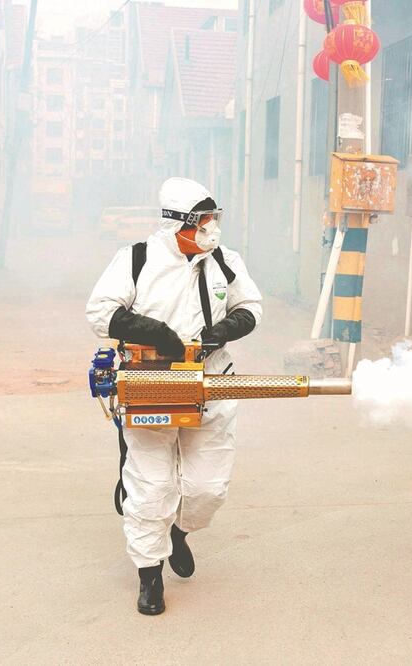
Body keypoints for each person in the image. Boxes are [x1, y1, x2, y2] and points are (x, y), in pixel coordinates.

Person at [86, 177, 263, 615]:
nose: (211, 229)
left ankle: (180, 530)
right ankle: (150, 576)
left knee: (208, 487)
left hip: (213, 382)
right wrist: (155, 332)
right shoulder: (137, 260)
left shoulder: (224, 260)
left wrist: (223, 329)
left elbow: (251, 308)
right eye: (203, 221)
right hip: (152, 386)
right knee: (151, 486)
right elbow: (100, 312)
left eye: (213, 220)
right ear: (179, 224)